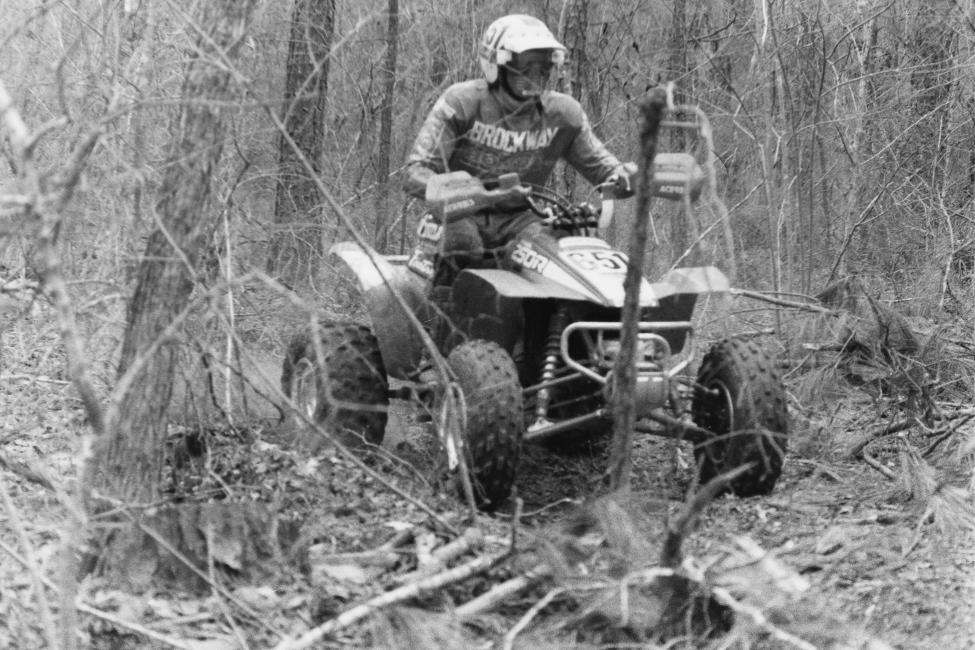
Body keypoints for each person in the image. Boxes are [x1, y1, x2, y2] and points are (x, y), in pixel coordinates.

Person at [403, 14, 633, 291]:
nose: (536, 76)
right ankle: (440, 328)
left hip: (521, 218)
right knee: (463, 245)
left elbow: (603, 167)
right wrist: (460, 192)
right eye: (526, 67)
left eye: (544, 67)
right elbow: (415, 173)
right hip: (457, 214)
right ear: (497, 64)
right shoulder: (462, 103)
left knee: (558, 255)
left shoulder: (563, 115)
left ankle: (550, 329)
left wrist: (626, 176)